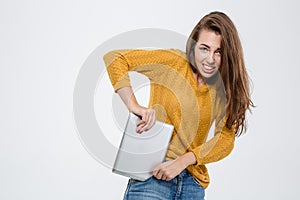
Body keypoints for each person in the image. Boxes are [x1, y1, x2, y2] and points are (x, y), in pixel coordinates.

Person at [103, 11, 254, 200]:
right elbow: (116, 59)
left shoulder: (222, 88)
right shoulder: (173, 62)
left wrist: (184, 161)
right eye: (204, 49)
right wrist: (133, 105)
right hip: (151, 176)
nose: (210, 59)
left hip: (192, 184)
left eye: (218, 52)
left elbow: (225, 139)